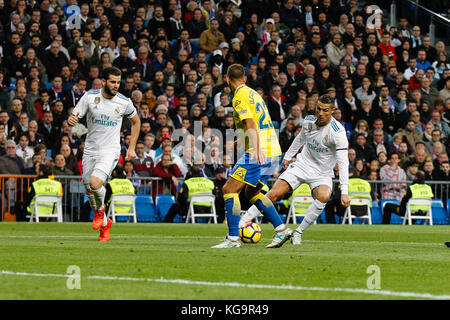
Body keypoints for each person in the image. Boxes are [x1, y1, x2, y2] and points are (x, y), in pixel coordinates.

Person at [240, 94, 350, 245]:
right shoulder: (309, 121)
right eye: (318, 109)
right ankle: (242, 222)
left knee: (323, 196)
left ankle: (298, 232)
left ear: (332, 111)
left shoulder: (338, 132)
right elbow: (300, 139)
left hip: (322, 173)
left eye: (325, 110)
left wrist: (344, 191)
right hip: (301, 165)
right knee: (274, 194)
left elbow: (343, 162)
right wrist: (288, 156)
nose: (320, 113)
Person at [211, 64, 289, 249]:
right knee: (251, 192)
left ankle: (232, 239)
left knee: (229, 189)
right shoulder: (254, 94)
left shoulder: (238, 97)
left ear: (227, 79)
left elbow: (251, 124)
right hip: (273, 149)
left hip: (259, 151)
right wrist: (240, 144)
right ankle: (281, 229)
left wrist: (257, 149)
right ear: (245, 79)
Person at [68, 67, 141, 241]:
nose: (116, 85)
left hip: (110, 150)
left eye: (118, 82)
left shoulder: (124, 102)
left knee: (95, 183)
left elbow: (136, 122)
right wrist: (72, 120)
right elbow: (75, 116)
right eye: (112, 82)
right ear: (103, 81)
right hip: (91, 149)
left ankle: (100, 212)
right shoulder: (90, 97)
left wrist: (131, 148)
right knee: (89, 189)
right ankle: (105, 224)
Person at [102, 165, 135, 240]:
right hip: (128, 207)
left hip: (114, 207)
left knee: (103, 203)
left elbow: (106, 199)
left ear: (114, 172)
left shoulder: (111, 183)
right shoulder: (129, 182)